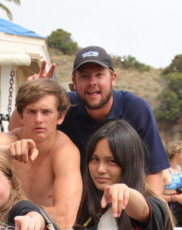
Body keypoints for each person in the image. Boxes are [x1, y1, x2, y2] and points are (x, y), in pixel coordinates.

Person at [23, 48, 170, 195]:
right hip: (76, 206)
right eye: (84, 76)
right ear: (74, 82)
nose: (92, 82)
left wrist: (151, 213)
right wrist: (34, 96)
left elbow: (154, 170)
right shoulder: (64, 107)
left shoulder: (136, 109)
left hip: (125, 205)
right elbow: (20, 128)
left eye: (99, 75)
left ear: (113, 79)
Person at [0, 78, 82, 229]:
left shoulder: (65, 151)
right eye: (32, 111)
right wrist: (7, 154)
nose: (39, 119)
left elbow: (65, 218)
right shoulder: (3, 142)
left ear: (60, 116)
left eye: (46, 112)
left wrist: (18, 214)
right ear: (21, 116)